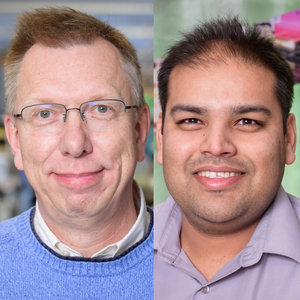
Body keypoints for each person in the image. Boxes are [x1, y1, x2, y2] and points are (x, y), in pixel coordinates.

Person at [1, 7, 153, 299]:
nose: (75, 144)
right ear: (16, 140)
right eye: (44, 113)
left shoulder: (200, 265)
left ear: (139, 131)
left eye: (101, 109)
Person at [154, 16, 299, 299]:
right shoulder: (114, 256)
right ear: (160, 138)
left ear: (288, 139)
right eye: (192, 120)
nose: (217, 146)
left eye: (247, 121)